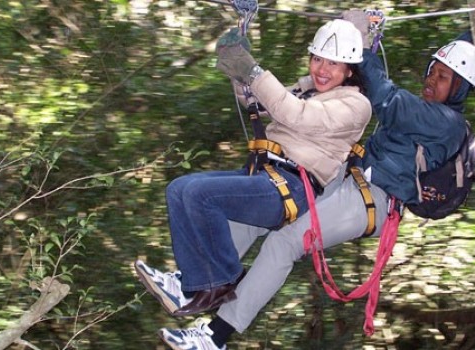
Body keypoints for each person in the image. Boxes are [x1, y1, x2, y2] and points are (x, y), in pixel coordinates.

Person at [150, 9, 475, 350]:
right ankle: (193, 284)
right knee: (260, 214)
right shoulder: (426, 111)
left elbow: (385, 97)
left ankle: (214, 337)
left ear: (460, 89)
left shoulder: (445, 122)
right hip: (349, 176)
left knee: (285, 242)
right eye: (433, 72)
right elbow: (464, 43)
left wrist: (363, 43)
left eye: (444, 78)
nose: (432, 80)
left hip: (375, 197)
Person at [134, 17, 372, 333]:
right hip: (264, 174)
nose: (322, 69)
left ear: (349, 70)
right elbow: (256, 102)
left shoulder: (355, 105)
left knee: (198, 196)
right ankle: (193, 283)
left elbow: (295, 114)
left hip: (293, 186)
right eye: (317, 58)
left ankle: (216, 281)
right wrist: (238, 69)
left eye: (333, 63)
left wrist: (254, 71)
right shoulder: (306, 91)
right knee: (179, 189)